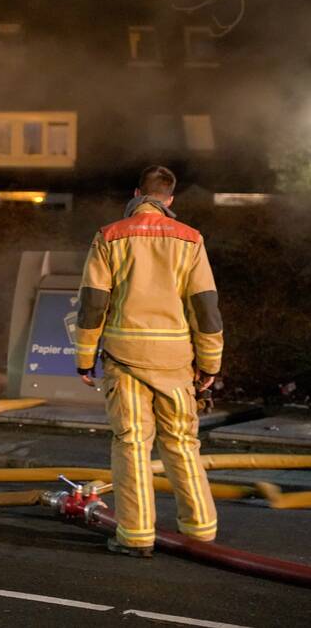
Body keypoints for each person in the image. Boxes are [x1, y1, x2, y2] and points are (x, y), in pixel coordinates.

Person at [75, 166, 223, 558]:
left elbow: (93, 303)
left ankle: (137, 535)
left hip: (125, 360)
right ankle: (201, 528)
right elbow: (205, 308)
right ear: (170, 199)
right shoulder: (191, 240)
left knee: (132, 444)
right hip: (176, 361)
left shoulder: (110, 236)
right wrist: (209, 364)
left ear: (136, 192)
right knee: (182, 443)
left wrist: (84, 357)